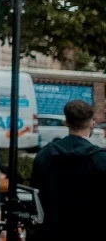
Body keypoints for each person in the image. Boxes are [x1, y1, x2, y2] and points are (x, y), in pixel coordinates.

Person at [30, 100, 106, 240]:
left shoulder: (45, 155)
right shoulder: (100, 159)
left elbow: (36, 190)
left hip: (52, 231)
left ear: (66, 122)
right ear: (92, 123)